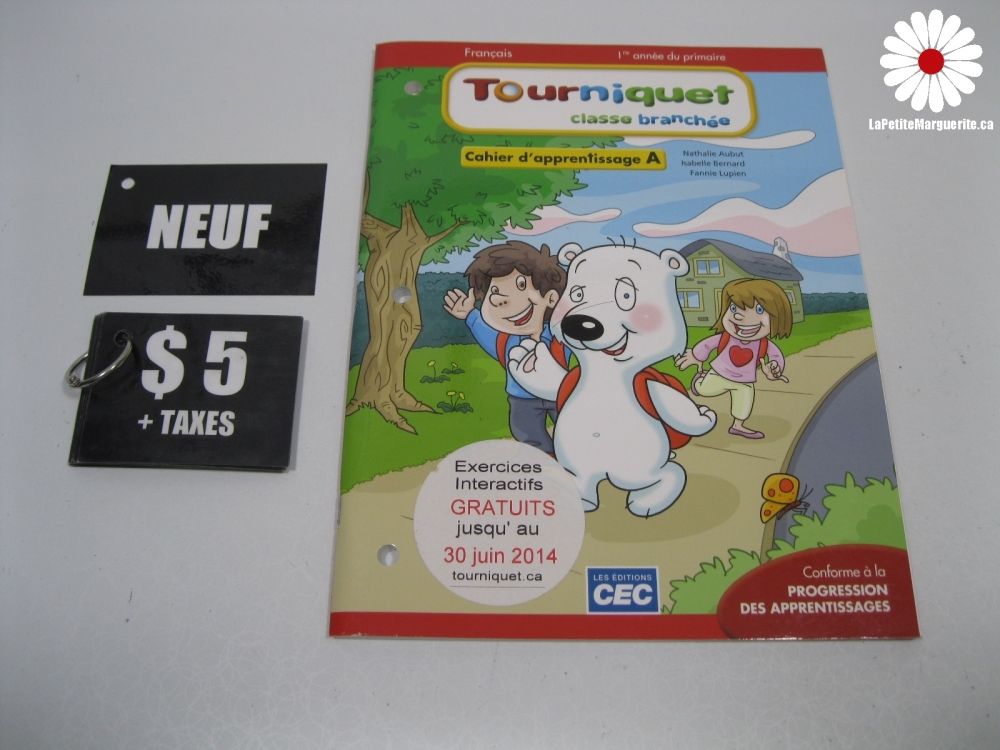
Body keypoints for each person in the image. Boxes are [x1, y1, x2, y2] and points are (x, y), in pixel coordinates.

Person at [443, 241, 567, 452]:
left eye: (521, 285)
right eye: (494, 291)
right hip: (522, 398)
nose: (502, 300)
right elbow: (484, 332)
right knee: (526, 433)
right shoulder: (506, 342)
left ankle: (574, 458)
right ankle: (544, 459)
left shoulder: (560, 335)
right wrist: (470, 315)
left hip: (561, 394)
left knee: (570, 429)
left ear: (551, 298)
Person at [674, 278, 792, 439]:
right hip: (719, 373)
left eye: (759, 310)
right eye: (734, 308)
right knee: (704, 390)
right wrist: (696, 356)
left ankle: (738, 425)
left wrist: (774, 369)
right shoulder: (726, 337)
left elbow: (776, 357)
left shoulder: (764, 344)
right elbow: (707, 345)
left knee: (745, 399)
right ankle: (698, 382)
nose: (740, 316)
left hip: (744, 380)